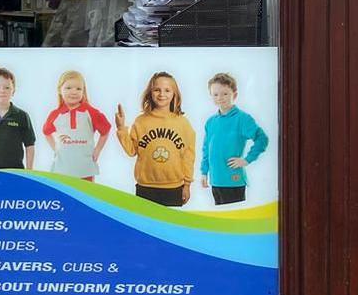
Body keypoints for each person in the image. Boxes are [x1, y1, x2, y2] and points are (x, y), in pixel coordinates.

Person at [115, 72, 197, 207]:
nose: (161, 94)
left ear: (174, 94)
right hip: (145, 188)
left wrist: (187, 184)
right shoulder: (141, 121)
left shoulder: (182, 123)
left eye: (167, 90)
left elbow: (189, 156)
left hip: (174, 187)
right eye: (157, 90)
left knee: (169, 226)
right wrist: (121, 128)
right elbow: (131, 151)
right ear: (150, 93)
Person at [199, 73, 270, 205]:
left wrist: (246, 160)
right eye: (215, 94)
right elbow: (206, 149)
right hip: (215, 181)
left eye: (225, 94)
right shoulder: (211, 122)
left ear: (234, 95)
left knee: (233, 220)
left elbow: (262, 139)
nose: (220, 97)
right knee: (220, 221)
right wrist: (204, 172)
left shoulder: (242, 119)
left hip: (233, 181)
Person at [41, 70, 111, 180]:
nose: (74, 92)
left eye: (78, 89)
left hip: (85, 169)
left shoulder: (90, 112)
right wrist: (56, 148)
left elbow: (105, 130)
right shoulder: (56, 114)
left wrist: (97, 150)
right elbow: (46, 132)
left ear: (84, 92)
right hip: (62, 170)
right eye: (68, 88)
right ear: (60, 90)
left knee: (85, 196)